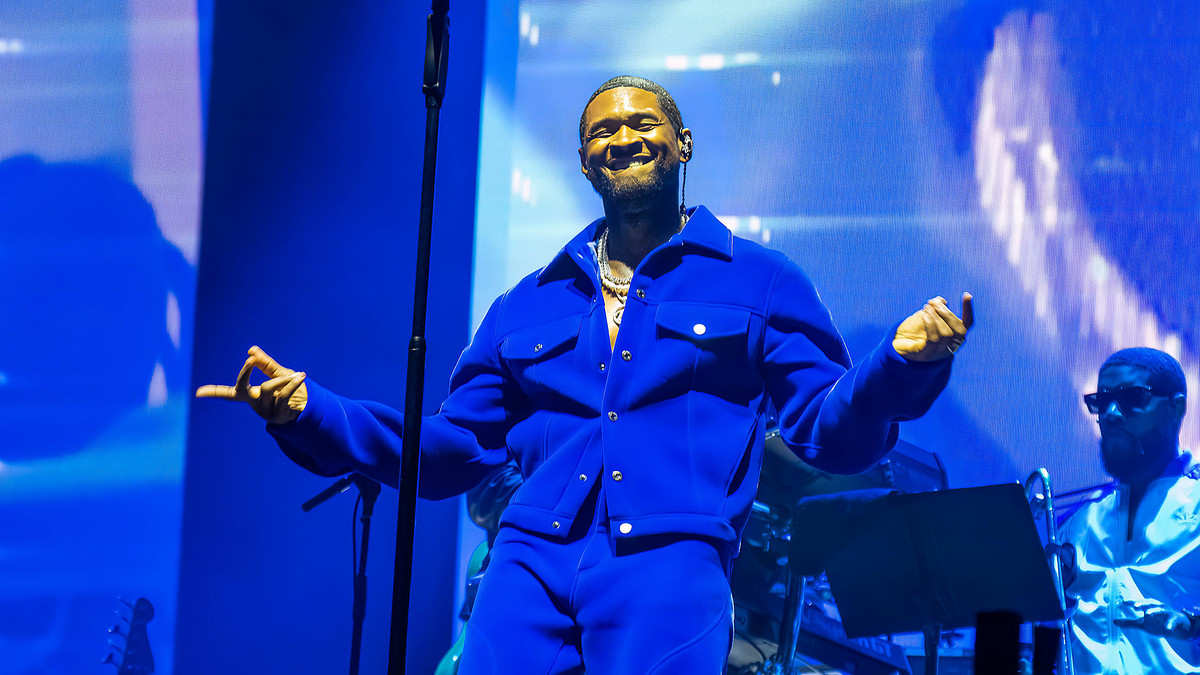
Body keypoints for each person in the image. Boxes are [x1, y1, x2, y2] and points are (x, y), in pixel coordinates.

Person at [197, 75, 973, 674]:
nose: (625, 137)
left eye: (644, 122)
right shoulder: (524, 304)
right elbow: (453, 450)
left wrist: (896, 368)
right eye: (604, 129)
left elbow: (826, 432)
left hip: (668, 566)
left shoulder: (760, 280)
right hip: (527, 565)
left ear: (683, 143)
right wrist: (310, 411)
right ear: (583, 160)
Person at [1062, 347, 1200, 674]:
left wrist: (1191, 624)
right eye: (1100, 401)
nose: (1110, 413)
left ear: (1175, 408)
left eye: (1132, 398)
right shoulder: (1080, 522)